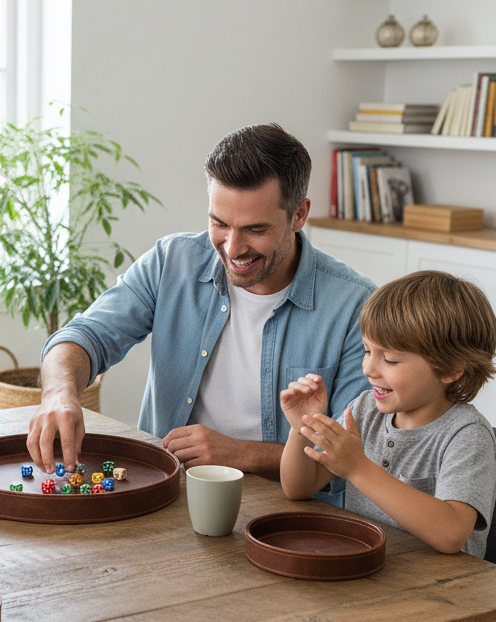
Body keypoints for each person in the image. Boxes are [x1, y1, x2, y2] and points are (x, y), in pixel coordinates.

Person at [28, 123, 376, 486]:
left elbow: (350, 454)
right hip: (171, 492)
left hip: (290, 515)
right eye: (219, 223)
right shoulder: (171, 261)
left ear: (299, 215)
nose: (232, 247)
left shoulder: (355, 306)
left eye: (255, 230)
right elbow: (86, 336)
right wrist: (58, 394)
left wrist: (240, 453)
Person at [280, 271, 496, 556]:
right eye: (367, 351)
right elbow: (298, 488)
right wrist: (302, 431)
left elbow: (451, 533)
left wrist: (358, 468)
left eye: (390, 359)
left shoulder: (467, 436)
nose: (368, 369)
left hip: (444, 592)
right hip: (373, 572)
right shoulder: (365, 409)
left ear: (451, 369)